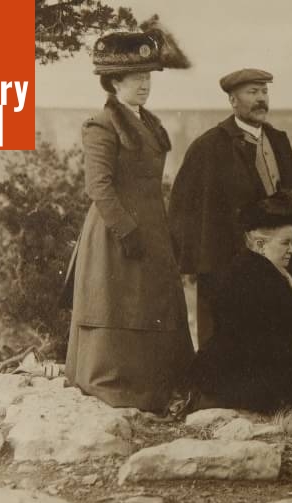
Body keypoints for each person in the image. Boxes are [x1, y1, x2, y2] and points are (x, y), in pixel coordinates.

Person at [62, 29, 194, 415]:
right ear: (114, 81)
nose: (144, 85)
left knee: (151, 302)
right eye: (136, 79)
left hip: (152, 226)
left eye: (148, 78)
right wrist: (126, 229)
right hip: (115, 231)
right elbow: (98, 186)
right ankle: (118, 386)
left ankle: (156, 386)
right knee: (119, 303)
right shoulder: (101, 124)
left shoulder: (148, 123)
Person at [167, 68, 292, 350]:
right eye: (252, 92)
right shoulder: (209, 147)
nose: (261, 99)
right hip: (228, 266)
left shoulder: (279, 141)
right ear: (233, 101)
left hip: (276, 262)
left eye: (264, 92)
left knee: (278, 338)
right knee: (228, 346)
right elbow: (184, 207)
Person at [184, 191, 292, 421]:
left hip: (231, 370)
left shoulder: (249, 269)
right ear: (260, 244)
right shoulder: (259, 281)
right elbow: (268, 350)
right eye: (285, 243)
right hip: (243, 377)